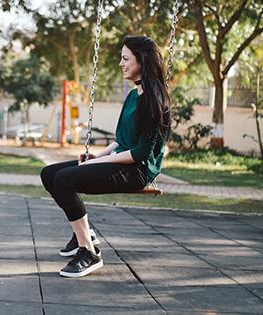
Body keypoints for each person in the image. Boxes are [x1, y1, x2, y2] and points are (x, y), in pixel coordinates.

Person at [40, 36, 171, 278]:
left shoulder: (155, 100)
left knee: (64, 180)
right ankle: (84, 233)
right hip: (122, 159)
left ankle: (88, 252)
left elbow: (141, 152)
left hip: (138, 170)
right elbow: (121, 140)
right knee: (49, 174)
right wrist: (96, 155)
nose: (121, 63)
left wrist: (100, 161)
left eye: (125, 58)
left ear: (142, 61)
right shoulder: (134, 95)